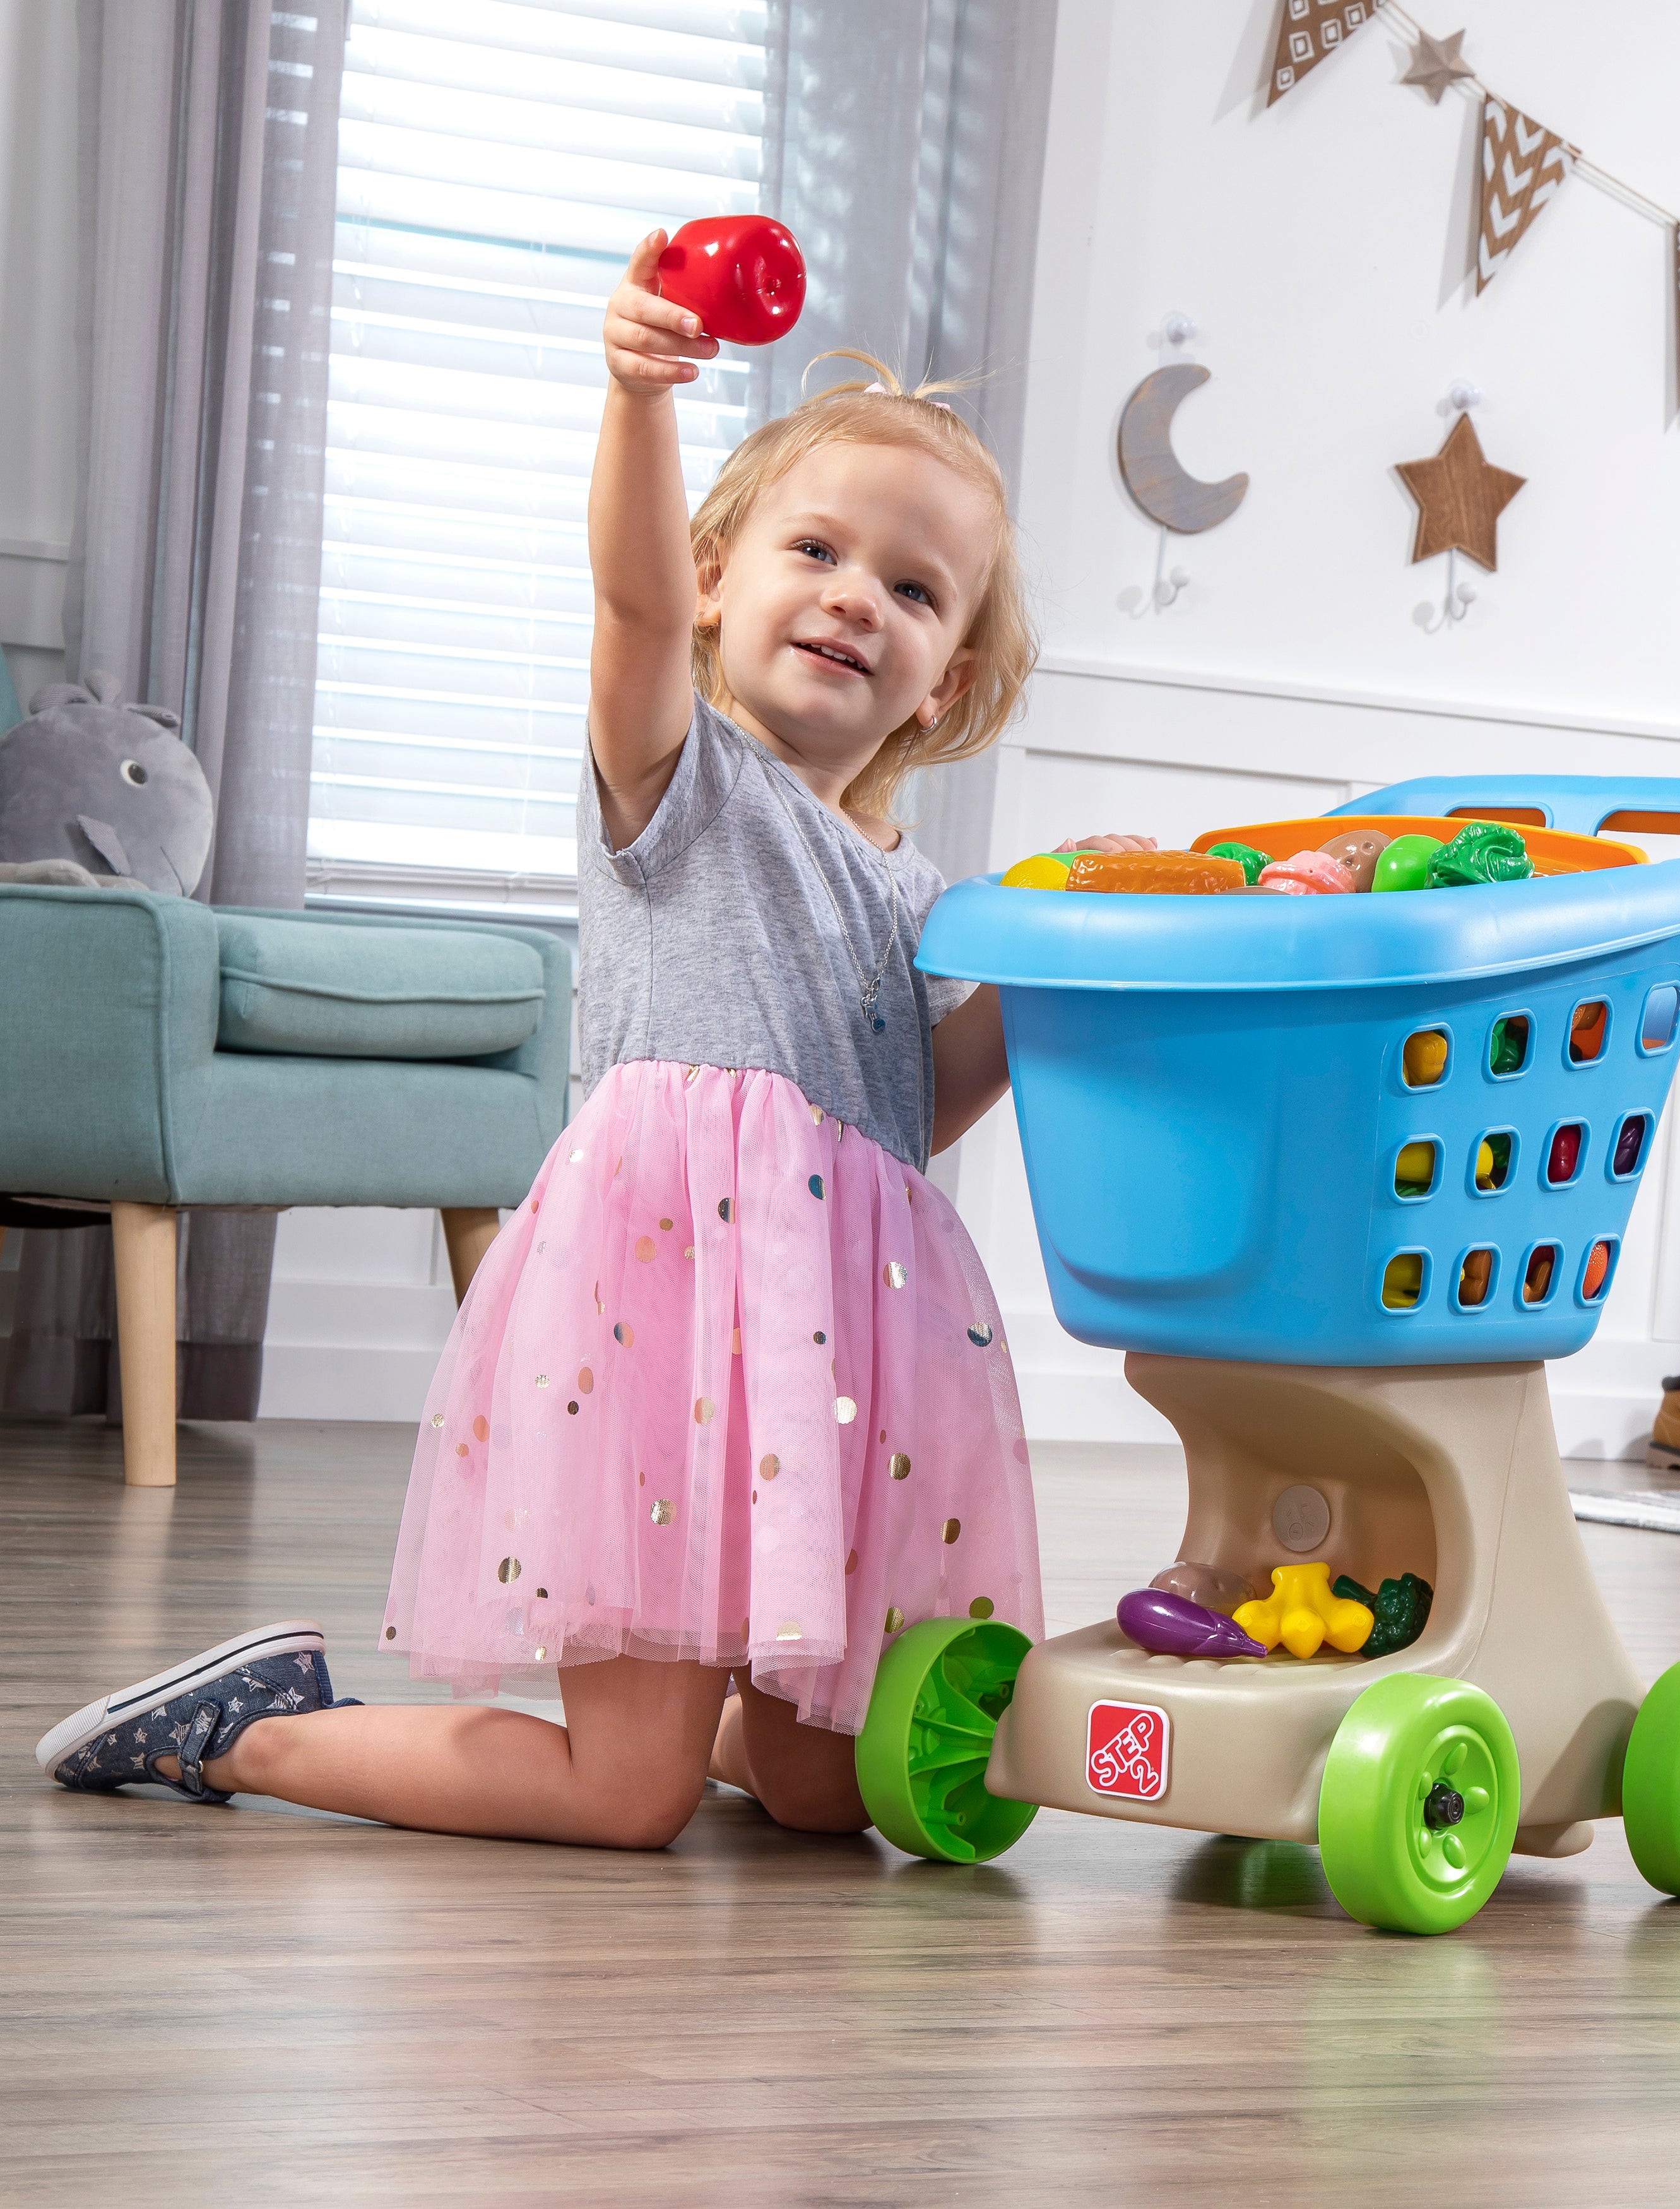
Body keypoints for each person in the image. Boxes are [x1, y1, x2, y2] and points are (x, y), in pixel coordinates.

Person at [35, 232, 1152, 1849]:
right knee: (627, 1799)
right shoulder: (679, 777)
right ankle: (252, 1734)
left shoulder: (924, 897)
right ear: (714, 580)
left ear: (944, 679)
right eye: (816, 550)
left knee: (823, 1792)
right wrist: (638, 395)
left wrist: (1074, 955)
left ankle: (696, 1720)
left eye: (913, 591)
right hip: (663, 1332)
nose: (857, 596)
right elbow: (625, 599)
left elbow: (916, 1110)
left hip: (828, 1362)